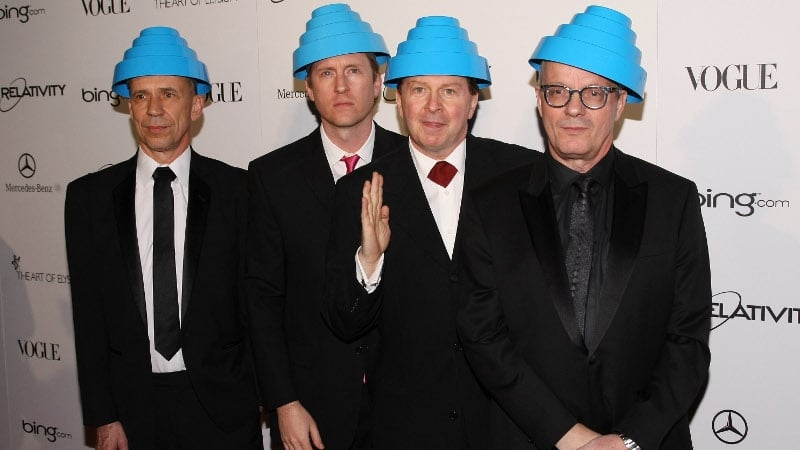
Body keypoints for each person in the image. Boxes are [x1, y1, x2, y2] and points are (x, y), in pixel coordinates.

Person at [455, 5, 711, 450]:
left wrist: (628, 440)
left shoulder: (674, 200)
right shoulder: (488, 204)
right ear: (539, 100)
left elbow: (687, 342)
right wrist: (569, 437)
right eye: (557, 91)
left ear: (620, 102)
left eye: (593, 93)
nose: (573, 109)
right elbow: (482, 335)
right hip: (528, 438)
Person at [322, 16, 539, 449]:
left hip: (508, 422)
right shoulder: (359, 190)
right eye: (419, 90)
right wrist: (370, 261)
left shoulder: (523, 176)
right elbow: (344, 323)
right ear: (399, 102)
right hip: (405, 428)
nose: (433, 107)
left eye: (450, 91)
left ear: (473, 102)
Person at [65, 27, 262, 450]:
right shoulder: (88, 198)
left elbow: (257, 304)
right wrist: (103, 417)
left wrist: (262, 397)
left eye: (169, 94)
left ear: (197, 104)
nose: (154, 110)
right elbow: (89, 316)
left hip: (224, 408)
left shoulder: (240, 192)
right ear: (129, 105)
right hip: (132, 413)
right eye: (141, 96)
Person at [246, 4, 405, 450]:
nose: (340, 85)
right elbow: (262, 298)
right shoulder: (271, 177)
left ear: (377, 83)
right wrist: (283, 403)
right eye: (325, 73)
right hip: (311, 408)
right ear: (309, 90)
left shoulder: (414, 166)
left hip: (404, 403)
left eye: (354, 70)